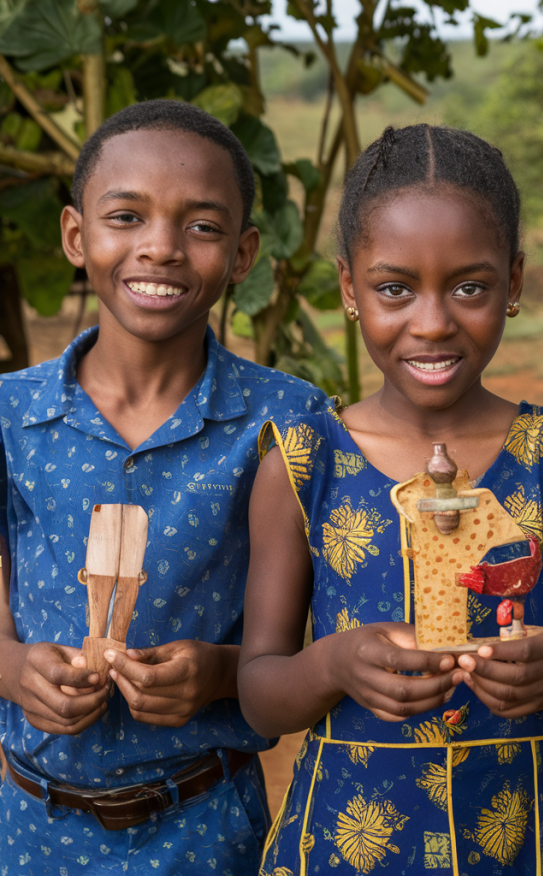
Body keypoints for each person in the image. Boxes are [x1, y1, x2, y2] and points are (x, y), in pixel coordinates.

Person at [238, 124, 543, 875]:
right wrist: (335, 665)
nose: (434, 320)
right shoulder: (303, 463)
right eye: (394, 288)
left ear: (513, 282)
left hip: (521, 847)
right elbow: (260, 696)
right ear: (350, 289)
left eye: (469, 286)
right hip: (341, 851)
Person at [0, 100, 325, 874]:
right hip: (30, 828)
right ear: (77, 238)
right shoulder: (9, 414)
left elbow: (331, 627)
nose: (161, 248)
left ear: (245, 254)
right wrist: (10, 670)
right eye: (126, 216)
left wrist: (217, 673)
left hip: (208, 824)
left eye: (202, 227)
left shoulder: (288, 420)